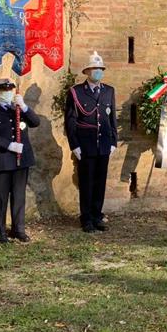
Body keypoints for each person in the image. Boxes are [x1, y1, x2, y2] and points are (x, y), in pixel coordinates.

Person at [0, 78, 40, 244]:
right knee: (0, 197)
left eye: (10, 90)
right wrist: (9, 145)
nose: (7, 93)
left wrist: (25, 107)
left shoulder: (19, 109)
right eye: (3, 91)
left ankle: (18, 229)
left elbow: (35, 122)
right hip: (1, 160)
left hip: (22, 160)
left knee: (19, 196)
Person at [64, 51, 118, 233]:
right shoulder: (76, 92)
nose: (98, 72)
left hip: (103, 144)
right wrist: (75, 145)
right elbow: (71, 121)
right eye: (95, 69)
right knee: (86, 182)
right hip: (85, 145)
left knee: (100, 182)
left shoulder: (109, 91)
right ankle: (86, 218)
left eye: (100, 69)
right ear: (87, 71)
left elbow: (112, 119)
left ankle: (97, 215)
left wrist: (113, 141)